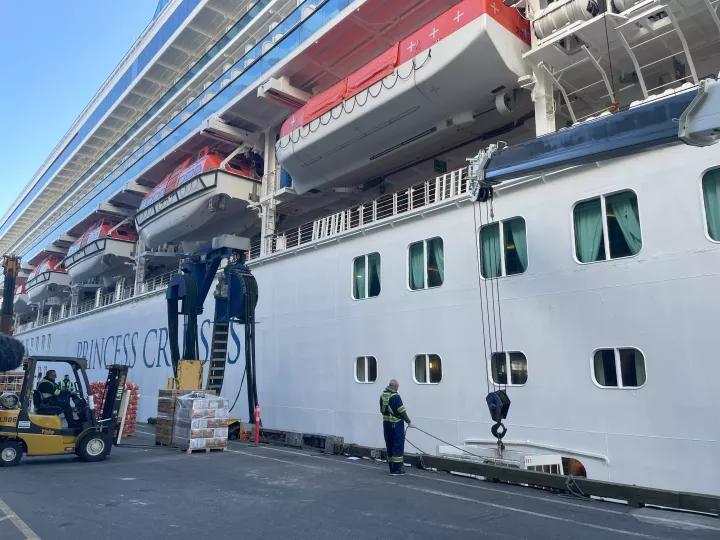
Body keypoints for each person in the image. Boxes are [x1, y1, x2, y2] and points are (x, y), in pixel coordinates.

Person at [380, 379, 412, 476]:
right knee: (398, 445)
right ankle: (396, 469)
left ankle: (391, 467)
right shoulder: (396, 397)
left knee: (389, 444)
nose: (398, 388)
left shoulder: (383, 396)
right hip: (396, 424)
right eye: (397, 387)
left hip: (386, 424)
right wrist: (409, 422)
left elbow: (382, 410)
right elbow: (401, 411)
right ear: (394, 386)